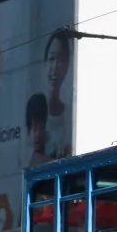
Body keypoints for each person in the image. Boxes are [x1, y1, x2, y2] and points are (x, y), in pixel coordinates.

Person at [41, 29, 74, 159]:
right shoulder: (34, 116)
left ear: (67, 67)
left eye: (61, 60)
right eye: (52, 58)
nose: (55, 67)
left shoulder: (70, 118)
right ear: (44, 63)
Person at [25, 92, 52, 166]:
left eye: (41, 127)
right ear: (28, 132)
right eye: (34, 129)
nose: (38, 134)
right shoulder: (35, 161)